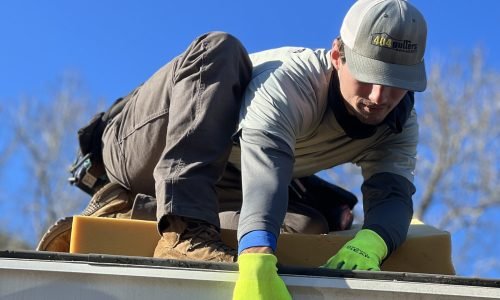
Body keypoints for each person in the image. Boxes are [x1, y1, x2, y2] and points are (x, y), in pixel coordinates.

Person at [39, 0, 427, 298]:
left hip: (221, 180)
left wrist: (374, 240)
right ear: (338, 55)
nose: (380, 96)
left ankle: (138, 210)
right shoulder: (294, 82)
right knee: (219, 49)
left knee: (310, 228)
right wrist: (257, 258)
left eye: (395, 82)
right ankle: (184, 233)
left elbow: (392, 194)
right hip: (140, 146)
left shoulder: (398, 123)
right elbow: (267, 165)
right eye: (369, 77)